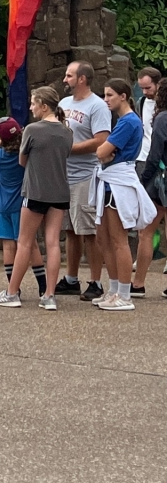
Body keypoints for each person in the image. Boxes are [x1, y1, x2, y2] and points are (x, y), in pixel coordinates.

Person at [0, 86, 72, 310]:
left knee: (24, 242)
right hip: (60, 191)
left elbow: (22, 161)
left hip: (35, 191)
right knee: (53, 242)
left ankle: (12, 292)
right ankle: (49, 295)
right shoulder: (67, 131)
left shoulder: (32, 130)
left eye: (34, 103)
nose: (31, 107)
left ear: (44, 106)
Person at [89, 79, 155, 311]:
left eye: (109, 95)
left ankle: (124, 294)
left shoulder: (128, 122)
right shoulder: (124, 121)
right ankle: (114, 289)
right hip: (109, 182)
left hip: (118, 183)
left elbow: (101, 151)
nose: (106, 100)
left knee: (118, 240)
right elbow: (103, 153)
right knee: (104, 238)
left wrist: (105, 152)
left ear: (123, 96)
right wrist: (105, 153)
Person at [54, 61, 111, 302]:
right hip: (63, 175)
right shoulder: (63, 104)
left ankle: (96, 282)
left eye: (69, 75)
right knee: (70, 229)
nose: (64, 79)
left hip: (86, 175)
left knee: (89, 230)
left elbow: (101, 140)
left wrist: (70, 149)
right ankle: (71, 279)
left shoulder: (97, 106)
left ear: (82, 79)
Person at [0, 116, 47, 297]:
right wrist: (20, 138)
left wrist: (3, 142)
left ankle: (13, 289)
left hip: (2, 206)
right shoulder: (25, 154)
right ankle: (43, 288)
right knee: (31, 245)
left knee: (8, 246)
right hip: (22, 205)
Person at [132, 76, 167, 297]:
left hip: (162, 179)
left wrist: (144, 179)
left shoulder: (162, 118)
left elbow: (154, 155)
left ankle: (138, 284)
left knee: (147, 232)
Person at [135, 67, 161, 179]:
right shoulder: (141, 102)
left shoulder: (162, 104)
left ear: (158, 84)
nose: (145, 92)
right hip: (142, 157)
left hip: (160, 159)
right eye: (142, 88)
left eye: (148, 88)